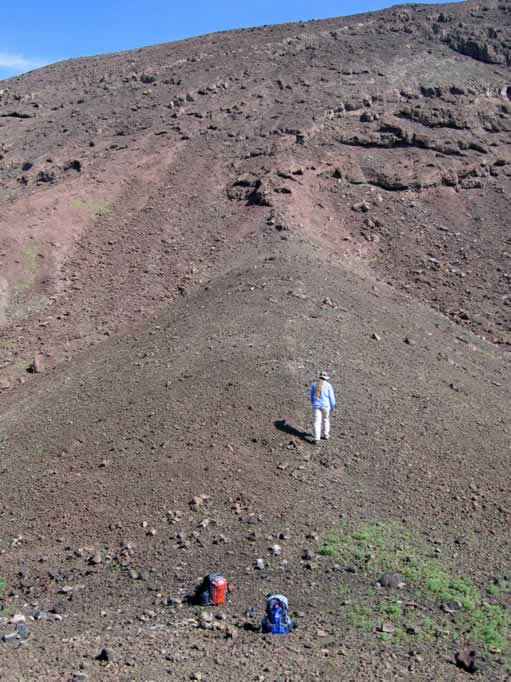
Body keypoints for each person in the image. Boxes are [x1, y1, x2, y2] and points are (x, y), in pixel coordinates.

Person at [309, 371, 336, 444]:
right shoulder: (328, 385)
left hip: (316, 405)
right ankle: (326, 434)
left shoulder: (314, 385)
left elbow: (311, 396)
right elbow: (331, 397)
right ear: (326, 378)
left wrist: (313, 403)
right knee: (326, 419)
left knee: (317, 421)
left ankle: (316, 438)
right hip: (326, 406)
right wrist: (333, 406)